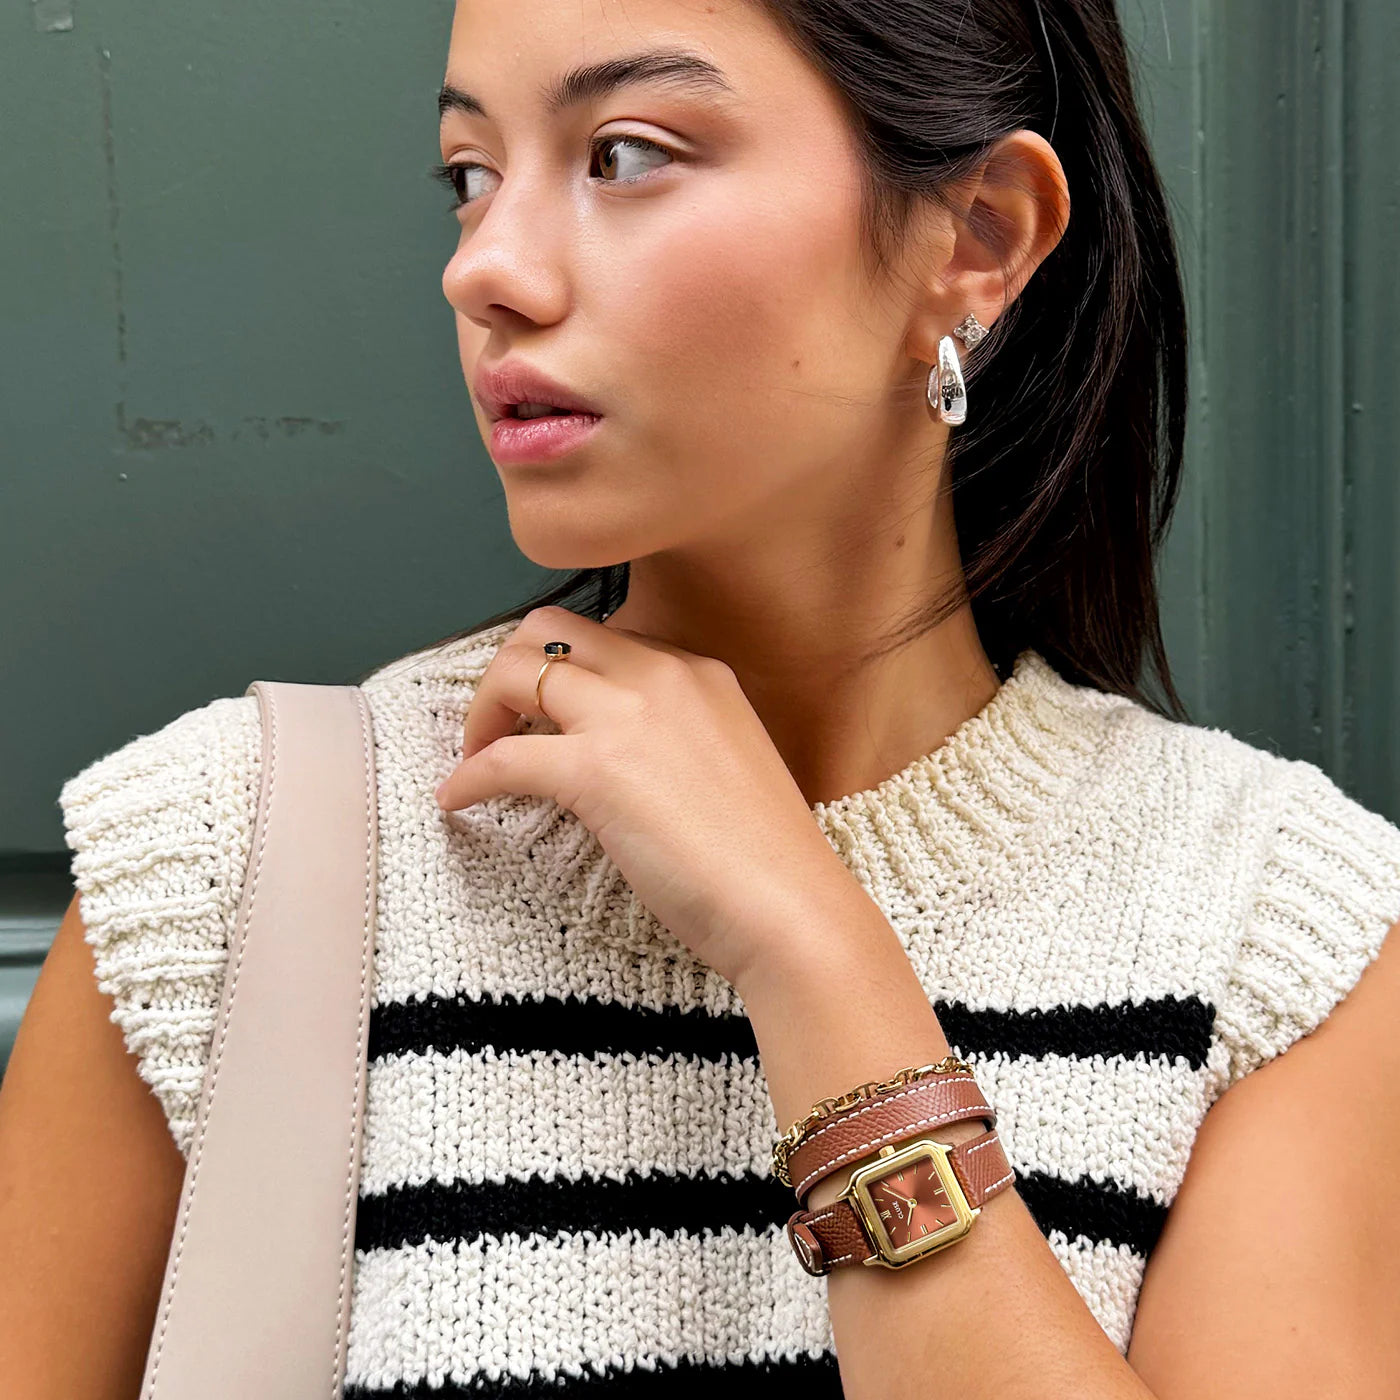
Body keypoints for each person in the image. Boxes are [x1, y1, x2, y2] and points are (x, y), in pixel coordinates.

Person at [4, 0, 1399, 1395]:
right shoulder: (214, 863)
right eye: (471, 173)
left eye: (624, 154)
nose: (483, 269)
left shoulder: (1275, 929)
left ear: (976, 237)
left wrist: (810, 950)